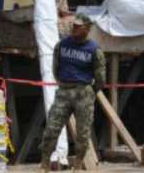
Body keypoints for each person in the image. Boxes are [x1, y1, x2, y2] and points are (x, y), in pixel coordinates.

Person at [40, 13, 106, 171]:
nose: (74, 28)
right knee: (51, 129)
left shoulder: (94, 50)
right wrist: (63, 83)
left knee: (83, 135)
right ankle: (44, 164)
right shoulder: (62, 45)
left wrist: (90, 91)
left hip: (84, 93)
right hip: (64, 92)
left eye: (78, 26)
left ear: (88, 28)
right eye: (73, 25)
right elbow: (56, 68)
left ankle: (77, 165)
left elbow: (101, 78)